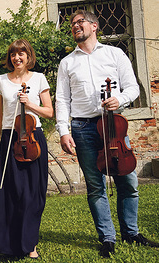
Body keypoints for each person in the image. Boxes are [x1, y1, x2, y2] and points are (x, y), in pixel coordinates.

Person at [55, 9, 159, 258]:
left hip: (113, 124)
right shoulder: (67, 62)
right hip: (82, 128)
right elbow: (61, 100)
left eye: (79, 22)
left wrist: (119, 98)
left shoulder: (115, 53)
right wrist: (63, 130)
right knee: (95, 186)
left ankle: (131, 232)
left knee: (128, 181)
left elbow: (133, 87)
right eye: (71, 24)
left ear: (94, 26)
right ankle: (107, 238)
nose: (74, 26)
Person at [0, 39, 54, 259]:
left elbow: (49, 112)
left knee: (33, 194)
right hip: (10, 137)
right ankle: (8, 243)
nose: (17, 58)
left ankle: (30, 243)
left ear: (29, 56)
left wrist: (30, 104)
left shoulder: (38, 78)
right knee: (10, 192)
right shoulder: (1, 80)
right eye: (13, 54)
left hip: (32, 137)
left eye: (21, 54)